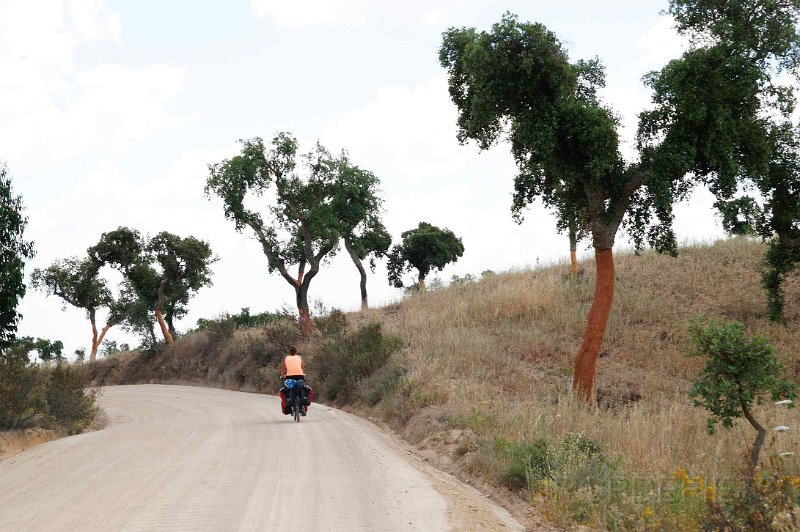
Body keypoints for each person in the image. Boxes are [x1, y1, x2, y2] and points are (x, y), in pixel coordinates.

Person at [279, 345, 310, 416]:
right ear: (296, 351)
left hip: (289, 377)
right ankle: (302, 407)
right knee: (301, 388)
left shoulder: (285, 358)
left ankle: (289, 405)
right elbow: (302, 368)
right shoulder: (299, 358)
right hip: (300, 376)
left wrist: (282, 376)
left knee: (288, 389)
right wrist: (302, 373)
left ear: (289, 351)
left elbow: (283, 369)